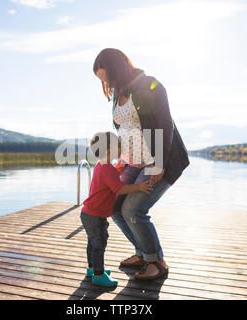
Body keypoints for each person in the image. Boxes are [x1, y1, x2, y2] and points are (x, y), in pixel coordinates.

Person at [93, 48, 190, 280]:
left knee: (133, 209)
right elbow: (126, 130)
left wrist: (158, 163)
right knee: (115, 207)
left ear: (116, 69)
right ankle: (142, 253)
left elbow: (164, 124)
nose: (105, 82)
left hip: (156, 160)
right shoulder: (118, 93)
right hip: (132, 163)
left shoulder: (148, 85)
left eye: (106, 77)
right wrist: (119, 160)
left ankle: (157, 262)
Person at [81, 131, 153, 287]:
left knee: (92, 243)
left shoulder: (101, 165)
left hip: (88, 213)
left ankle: (92, 268)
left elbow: (109, 180)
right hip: (95, 215)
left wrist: (118, 171)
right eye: (118, 145)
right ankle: (98, 275)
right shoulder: (108, 169)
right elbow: (119, 189)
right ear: (108, 151)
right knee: (99, 244)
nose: (121, 148)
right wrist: (139, 186)